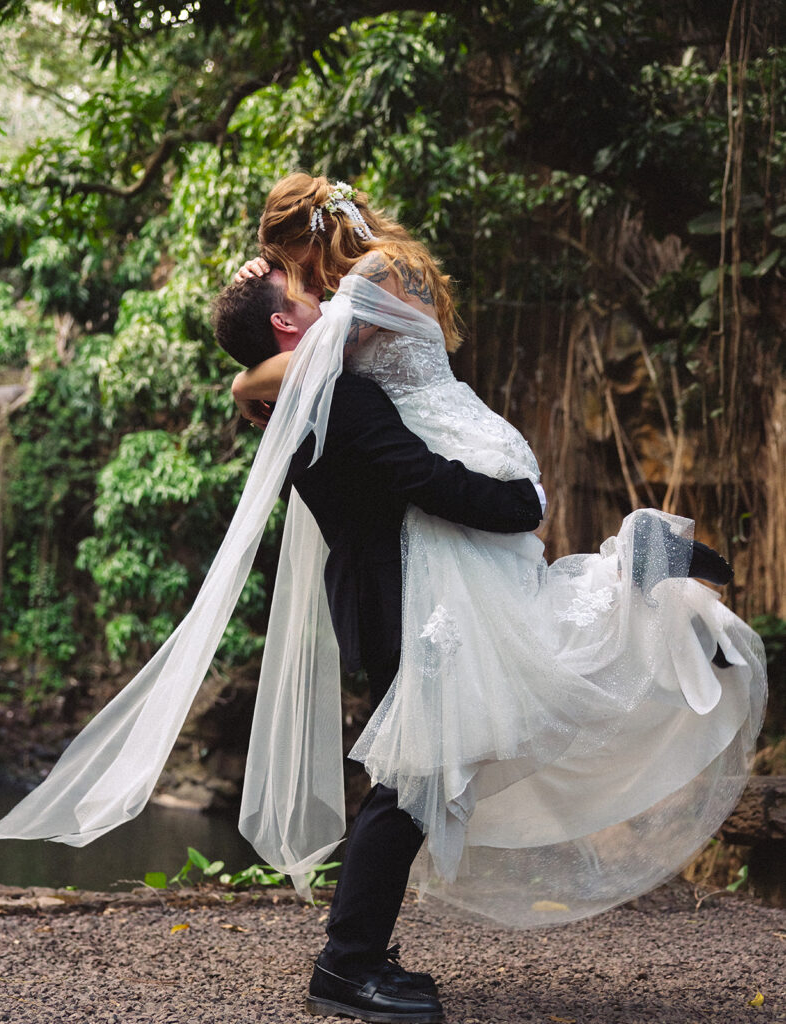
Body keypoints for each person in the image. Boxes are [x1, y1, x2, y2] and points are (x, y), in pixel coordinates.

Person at [229, 173, 766, 935]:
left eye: (288, 257)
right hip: (458, 449)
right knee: (522, 636)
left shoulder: (374, 279)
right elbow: (305, 346)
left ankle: (350, 955)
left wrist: (239, 375)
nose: (299, 280)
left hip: (450, 458)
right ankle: (635, 575)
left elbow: (299, 357)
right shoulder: (386, 268)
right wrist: (266, 302)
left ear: (310, 239)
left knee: (487, 683)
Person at [212, 268, 547, 1022]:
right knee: (414, 775)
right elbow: (418, 477)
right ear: (286, 328)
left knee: (419, 774)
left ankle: (357, 954)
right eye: (308, 298)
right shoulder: (343, 396)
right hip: (402, 600)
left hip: (391, 597)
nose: (330, 303)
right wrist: (518, 505)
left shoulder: (294, 396)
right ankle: (346, 966)